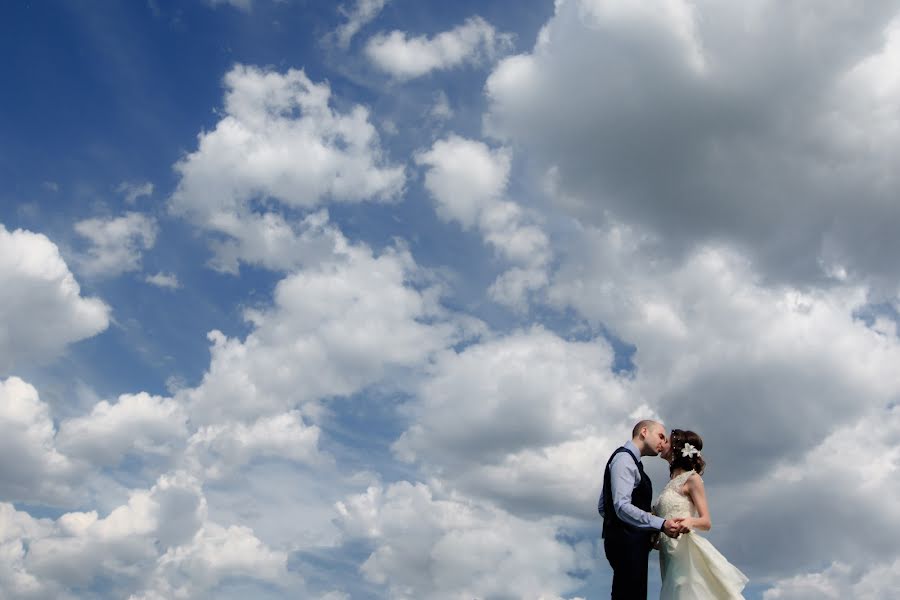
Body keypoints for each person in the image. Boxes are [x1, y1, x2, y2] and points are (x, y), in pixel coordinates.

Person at [652, 429, 749, 599]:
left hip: (684, 552)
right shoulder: (670, 484)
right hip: (667, 553)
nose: (662, 444)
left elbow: (706, 521)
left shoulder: (692, 479)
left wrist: (689, 521)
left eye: (666, 441)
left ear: (676, 447)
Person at [599, 420, 685, 599]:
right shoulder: (624, 460)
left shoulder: (629, 461)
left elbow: (603, 506)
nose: (663, 442)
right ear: (644, 432)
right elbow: (621, 506)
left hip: (629, 543)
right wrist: (659, 524)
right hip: (627, 545)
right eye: (660, 436)